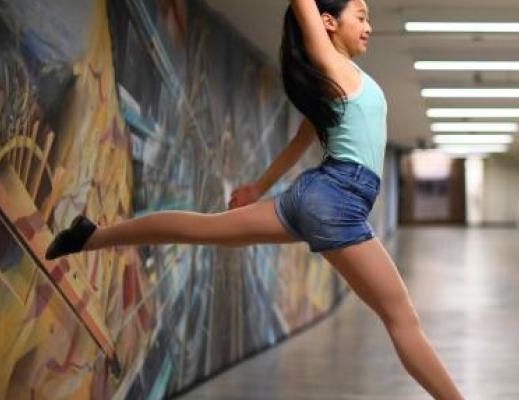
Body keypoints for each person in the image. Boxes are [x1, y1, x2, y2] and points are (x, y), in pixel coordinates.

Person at [45, 0, 464, 398]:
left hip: (317, 197)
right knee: (402, 319)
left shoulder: (338, 83)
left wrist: (256, 189)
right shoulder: (331, 64)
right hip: (337, 200)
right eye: (361, 15)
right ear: (328, 23)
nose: (369, 26)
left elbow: (302, 140)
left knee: (202, 229)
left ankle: (93, 236)